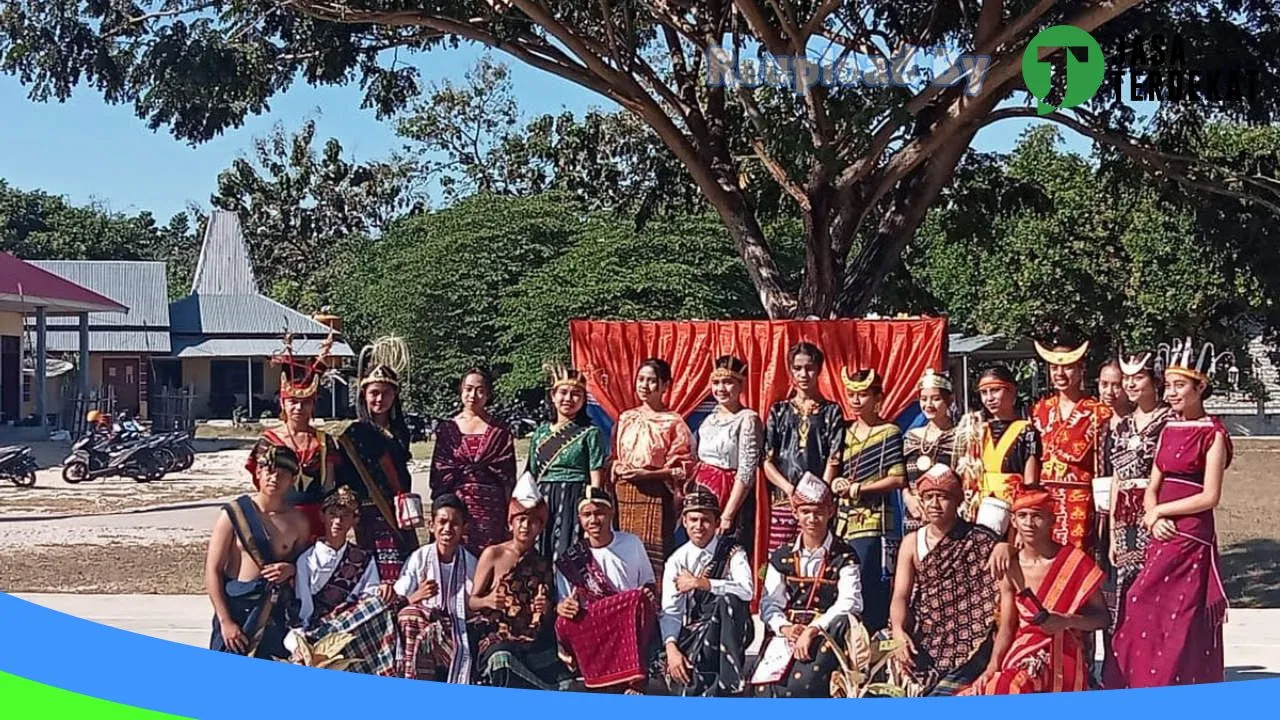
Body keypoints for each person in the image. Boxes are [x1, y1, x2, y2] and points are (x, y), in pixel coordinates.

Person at [1106, 340, 1233, 688]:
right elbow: (1153, 483)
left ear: (1200, 387)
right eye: (1169, 385)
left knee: (1181, 616)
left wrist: (1162, 511)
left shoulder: (1214, 433)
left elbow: (1209, 496)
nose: (1172, 392)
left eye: (1180, 385)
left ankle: (1176, 685)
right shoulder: (1170, 428)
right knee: (1138, 601)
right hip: (1159, 530)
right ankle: (1136, 682)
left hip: (1190, 533)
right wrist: (1154, 514)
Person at [960, 489, 1108, 695]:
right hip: (1023, 653)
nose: (1029, 523)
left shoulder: (1075, 561)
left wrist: (1066, 620)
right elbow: (1008, 625)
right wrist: (993, 666)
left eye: (1037, 515)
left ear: (1052, 520)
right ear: (1013, 521)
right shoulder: (1010, 565)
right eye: (1022, 516)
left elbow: (1103, 618)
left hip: (1066, 653)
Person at [887, 464, 1013, 696]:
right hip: (924, 635)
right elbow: (900, 596)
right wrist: (897, 631)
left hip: (969, 641)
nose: (934, 504)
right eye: (928, 497)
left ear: (958, 501)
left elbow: (1006, 587)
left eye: (943, 497)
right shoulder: (912, 542)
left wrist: (1007, 547)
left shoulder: (980, 540)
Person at [752, 473, 863, 698]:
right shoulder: (781, 556)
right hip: (788, 634)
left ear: (830, 512)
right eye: (805, 512)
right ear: (795, 513)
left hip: (825, 633)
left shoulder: (844, 555)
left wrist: (813, 630)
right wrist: (785, 628)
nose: (812, 519)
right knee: (765, 690)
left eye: (818, 512)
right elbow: (770, 602)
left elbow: (850, 602)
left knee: (801, 688)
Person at [1100, 351, 1170, 668]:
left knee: (1154, 591)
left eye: (1137, 378)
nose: (1129, 384)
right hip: (1125, 519)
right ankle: (1127, 665)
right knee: (1123, 592)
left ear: (1155, 382)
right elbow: (1117, 478)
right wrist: (1114, 533)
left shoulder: (1169, 421)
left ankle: (1157, 663)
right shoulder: (1122, 426)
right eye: (1126, 378)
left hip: (1155, 513)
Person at [206, 444, 309, 660]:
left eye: (282, 474)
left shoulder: (299, 522)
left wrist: (290, 569)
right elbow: (213, 571)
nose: (274, 478)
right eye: (269, 471)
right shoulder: (233, 514)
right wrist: (226, 621)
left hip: (274, 614)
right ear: (258, 473)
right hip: (237, 611)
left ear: (292, 479)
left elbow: (305, 569)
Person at [286, 485, 401, 676]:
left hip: (354, 625)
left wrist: (382, 591)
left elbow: (370, 596)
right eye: (332, 514)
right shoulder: (306, 560)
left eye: (345, 515)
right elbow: (303, 609)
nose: (338, 520)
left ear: (355, 520)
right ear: (322, 516)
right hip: (320, 629)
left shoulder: (363, 557)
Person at [553, 487, 658, 695]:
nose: (593, 520)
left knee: (638, 599)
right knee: (562, 623)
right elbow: (564, 603)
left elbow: (648, 583)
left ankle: (633, 680)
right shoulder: (571, 559)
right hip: (596, 623)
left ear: (611, 514)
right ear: (580, 519)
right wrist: (564, 607)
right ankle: (595, 676)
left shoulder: (631, 543)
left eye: (599, 512)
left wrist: (645, 595)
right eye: (587, 515)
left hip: (628, 621)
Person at [334, 336, 420, 583]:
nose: (379, 399)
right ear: (364, 395)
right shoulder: (355, 434)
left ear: (395, 396)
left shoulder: (400, 432)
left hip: (401, 513)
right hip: (371, 514)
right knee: (381, 574)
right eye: (374, 393)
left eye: (385, 393)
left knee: (406, 569)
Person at [468, 475, 566, 689]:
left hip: (531, 640)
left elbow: (548, 612)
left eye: (532, 521)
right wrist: (489, 601)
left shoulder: (542, 563)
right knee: (502, 660)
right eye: (520, 519)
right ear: (510, 523)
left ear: (541, 527)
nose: (526, 526)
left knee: (565, 680)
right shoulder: (493, 555)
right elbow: (472, 602)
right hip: (498, 636)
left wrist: (546, 607)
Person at [658, 489, 755, 697]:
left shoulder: (733, 551)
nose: (699, 526)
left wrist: (703, 583)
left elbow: (747, 591)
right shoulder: (677, 560)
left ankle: (731, 685)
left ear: (717, 522)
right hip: (697, 631)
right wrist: (671, 648)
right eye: (693, 519)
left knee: (728, 601)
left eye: (706, 520)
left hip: (735, 627)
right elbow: (671, 610)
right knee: (691, 679)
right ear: (684, 521)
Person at [832, 367, 906, 633]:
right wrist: (836, 482)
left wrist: (858, 489)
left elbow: (898, 478)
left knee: (868, 583)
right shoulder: (843, 432)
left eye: (863, 395)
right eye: (851, 394)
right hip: (841, 521)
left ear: (878, 398)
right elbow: (834, 468)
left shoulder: (889, 432)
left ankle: (873, 640)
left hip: (873, 520)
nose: (855, 400)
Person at [250, 332, 340, 541]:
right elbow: (260, 483)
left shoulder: (324, 441)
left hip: (317, 520)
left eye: (305, 402)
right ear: (283, 403)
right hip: (278, 520)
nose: (299, 407)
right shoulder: (269, 441)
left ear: (313, 404)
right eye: (292, 401)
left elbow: (331, 485)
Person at [612, 358, 696, 580]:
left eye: (651, 381)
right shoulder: (626, 417)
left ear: (664, 386)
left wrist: (649, 474)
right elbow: (615, 455)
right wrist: (618, 466)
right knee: (623, 552)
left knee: (651, 557)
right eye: (641, 379)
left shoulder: (673, 422)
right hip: (624, 495)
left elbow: (683, 467)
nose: (644, 386)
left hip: (655, 496)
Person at [762, 342, 846, 554]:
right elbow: (766, 461)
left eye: (809, 368)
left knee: (818, 558)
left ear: (818, 370)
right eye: (797, 368)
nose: (803, 374)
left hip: (817, 505)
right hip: (784, 501)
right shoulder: (778, 410)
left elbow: (834, 458)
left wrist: (819, 495)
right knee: (780, 560)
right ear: (790, 371)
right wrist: (790, 490)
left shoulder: (831, 411)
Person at [1031, 338, 1112, 553]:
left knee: (1077, 560)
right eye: (1054, 368)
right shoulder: (1040, 409)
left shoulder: (1098, 411)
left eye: (1067, 368)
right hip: (1046, 496)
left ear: (1080, 370)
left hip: (1081, 498)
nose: (1060, 373)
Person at [430, 368, 518, 556]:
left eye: (480, 390)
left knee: (488, 557)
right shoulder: (447, 429)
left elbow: (508, 476)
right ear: (461, 391)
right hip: (456, 504)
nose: (473, 395)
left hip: (491, 508)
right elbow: (439, 472)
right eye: (468, 389)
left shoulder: (500, 431)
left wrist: (510, 511)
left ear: (488, 394)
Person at [527, 363, 607, 564]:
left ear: (583, 400)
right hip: (543, 498)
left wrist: (592, 509)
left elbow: (596, 474)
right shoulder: (540, 434)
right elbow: (531, 473)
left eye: (575, 394)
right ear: (553, 396)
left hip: (575, 496)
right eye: (563, 392)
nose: (568, 399)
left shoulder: (590, 433)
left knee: (568, 550)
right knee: (539, 551)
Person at [396, 493, 479, 683]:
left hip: (456, 632)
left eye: (455, 523)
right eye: (442, 522)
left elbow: (476, 602)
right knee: (409, 615)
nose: (447, 529)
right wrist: (417, 596)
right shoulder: (420, 558)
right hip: (424, 626)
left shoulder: (471, 563)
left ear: (464, 528)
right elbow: (400, 597)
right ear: (431, 525)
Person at [690, 355, 762, 536]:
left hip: (730, 496)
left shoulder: (747, 419)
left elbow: (746, 472)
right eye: (716, 382)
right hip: (702, 492)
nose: (720, 388)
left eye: (728, 382)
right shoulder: (709, 418)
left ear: (740, 385)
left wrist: (728, 515)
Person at [903, 369, 957, 534]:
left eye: (936, 399)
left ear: (950, 400)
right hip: (916, 514)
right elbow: (901, 478)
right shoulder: (911, 437)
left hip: (947, 516)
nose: (929, 405)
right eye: (924, 399)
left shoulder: (960, 436)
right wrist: (908, 498)